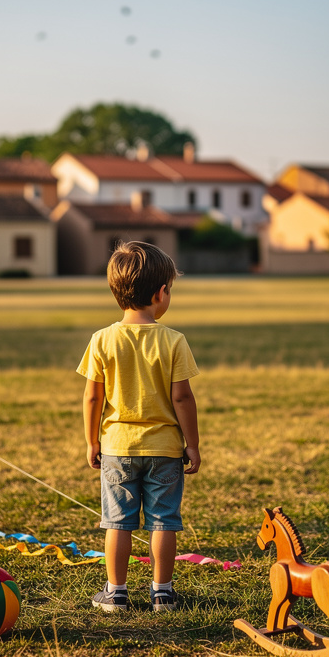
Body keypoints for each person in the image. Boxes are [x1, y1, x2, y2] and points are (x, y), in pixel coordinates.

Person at [78, 240, 200, 612]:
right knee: (163, 522)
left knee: (117, 523)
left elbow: (92, 398)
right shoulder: (174, 341)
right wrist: (193, 444)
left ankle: (116, 593)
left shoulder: (101, 340)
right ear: (161, 293)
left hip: (117, 448)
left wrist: (92, 441)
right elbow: (183, 398)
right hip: (165, 450)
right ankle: (163, 592)